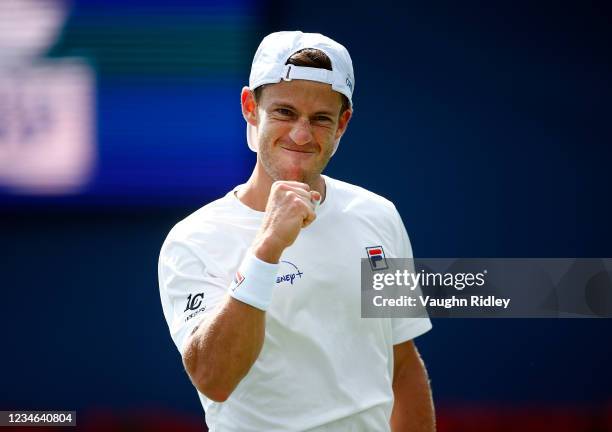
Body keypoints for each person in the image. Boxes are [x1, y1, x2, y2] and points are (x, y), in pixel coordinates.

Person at [158, 31, 435, 431]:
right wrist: (268, 246)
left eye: (320, 118)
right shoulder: (193, 239)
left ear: (343, 124)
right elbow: (214, 379)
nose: (301, 135)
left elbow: (402, 363)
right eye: (285, 112)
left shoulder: (379, 215)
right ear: (251, 108)